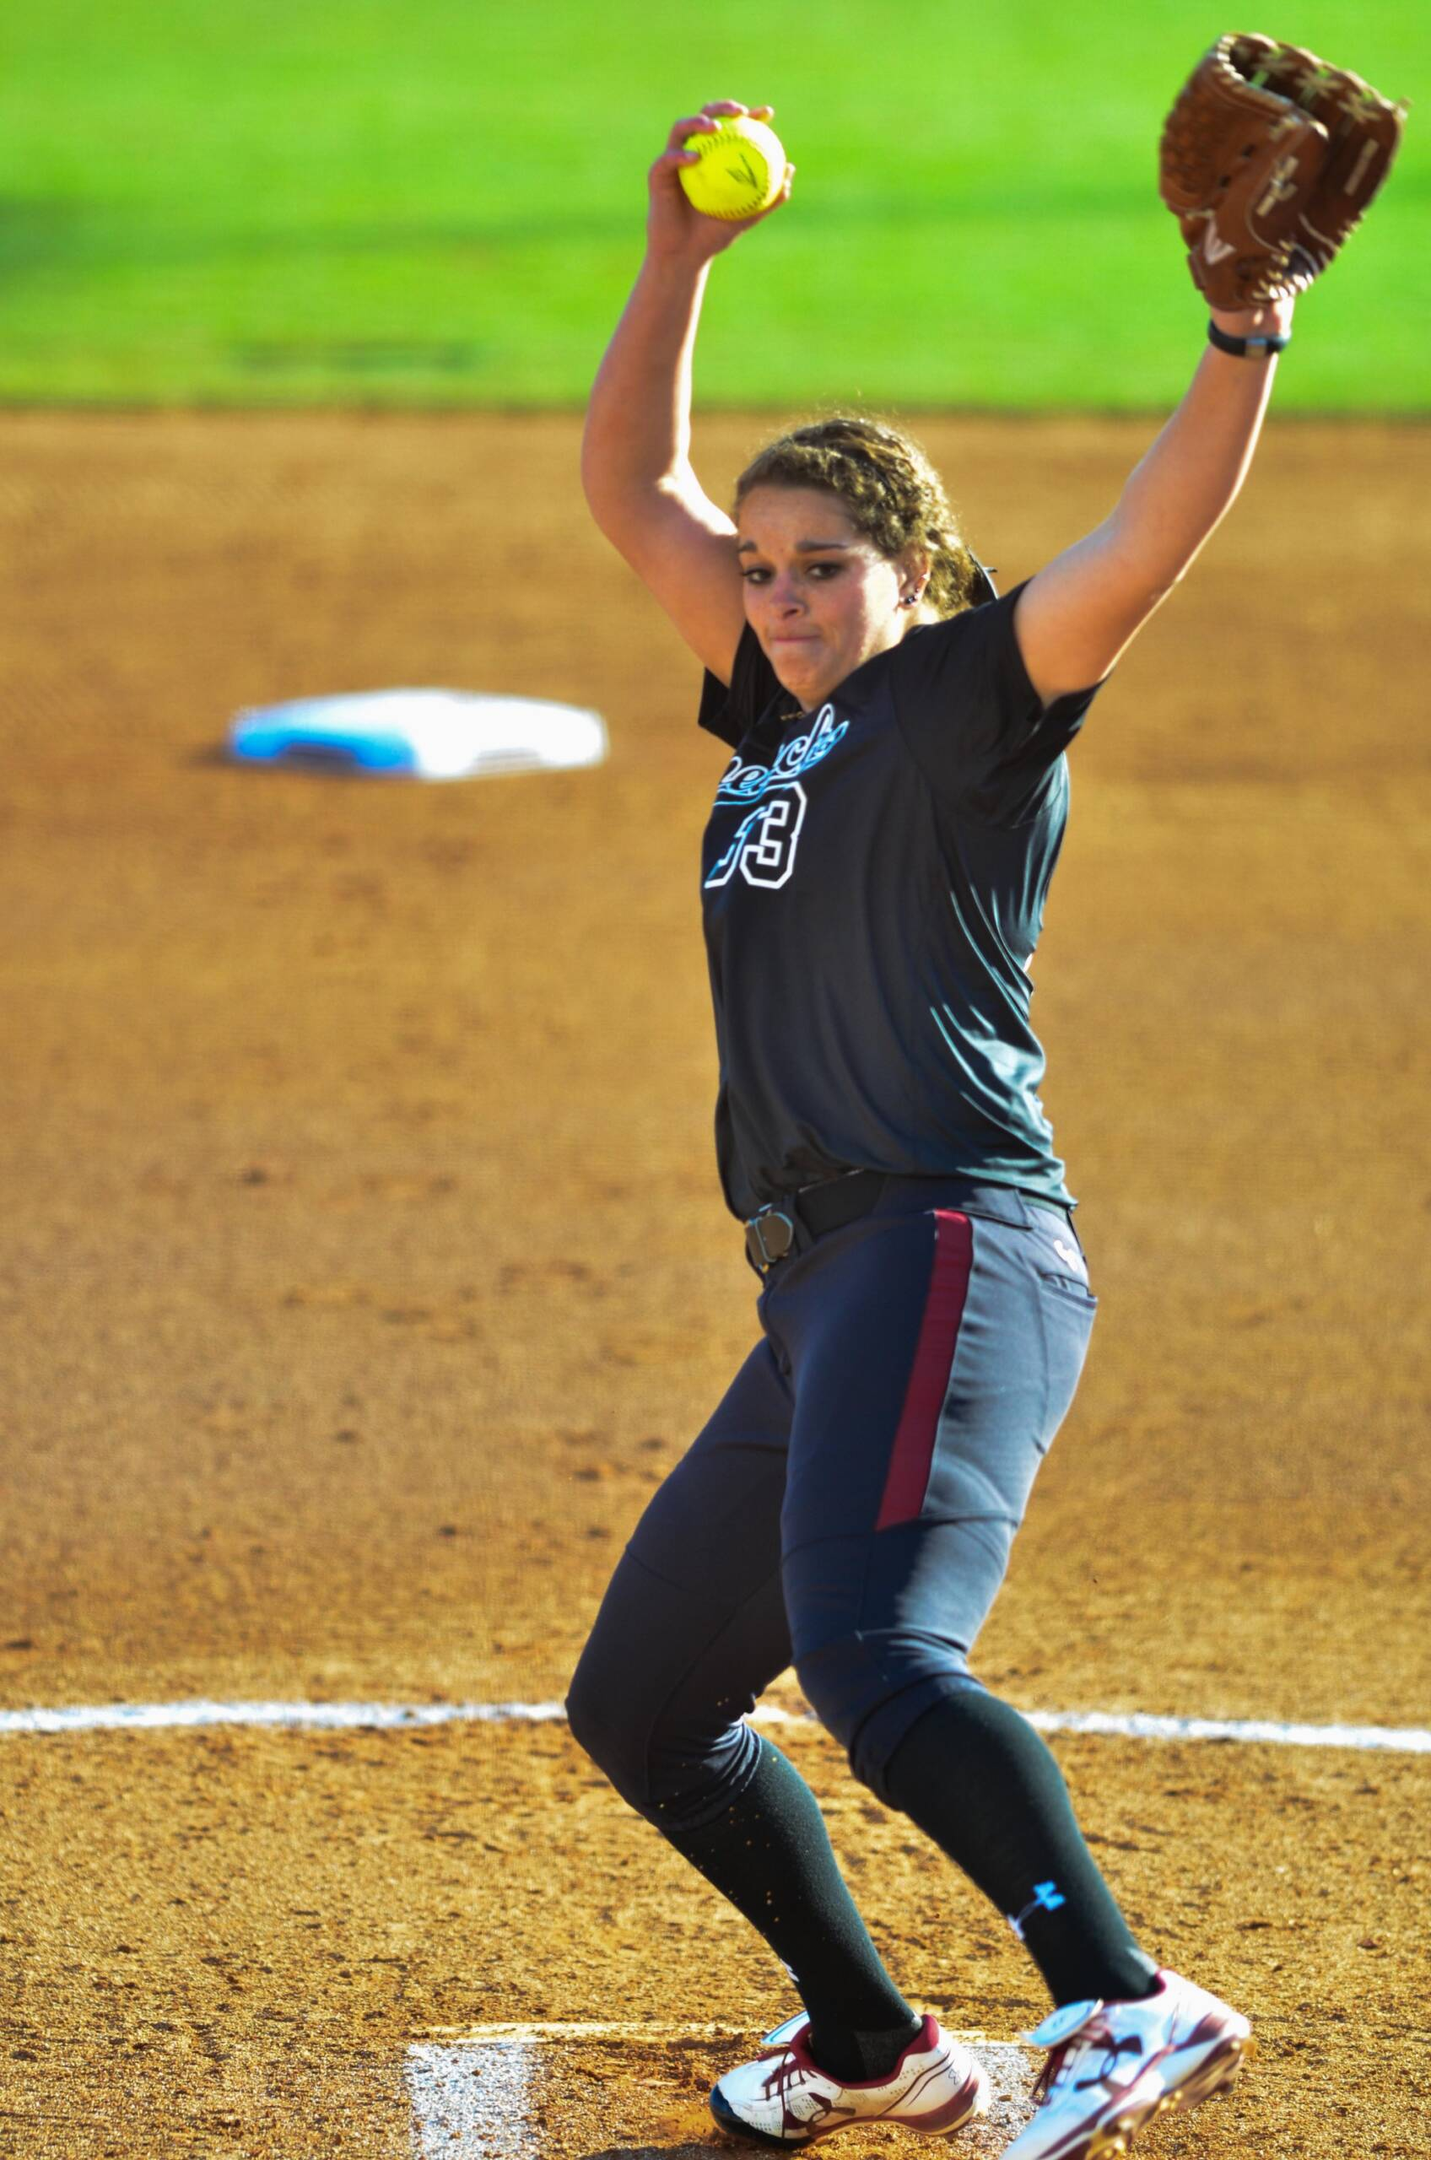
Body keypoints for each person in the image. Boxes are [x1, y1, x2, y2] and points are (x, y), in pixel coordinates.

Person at [565, 93, 1284, 2159]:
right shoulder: (777, 712)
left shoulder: (977, 690)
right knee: (641, 1712)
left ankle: (1121, 2000)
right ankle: (878, 2045)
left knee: (878, 1668)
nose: (779, 597)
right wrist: (679, 257)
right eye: (766, 569)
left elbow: (1148, 533)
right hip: (823, 1287)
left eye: (825, 567)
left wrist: (1241, 335)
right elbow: (632, 492)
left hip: (950, 1241)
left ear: (915, 573)